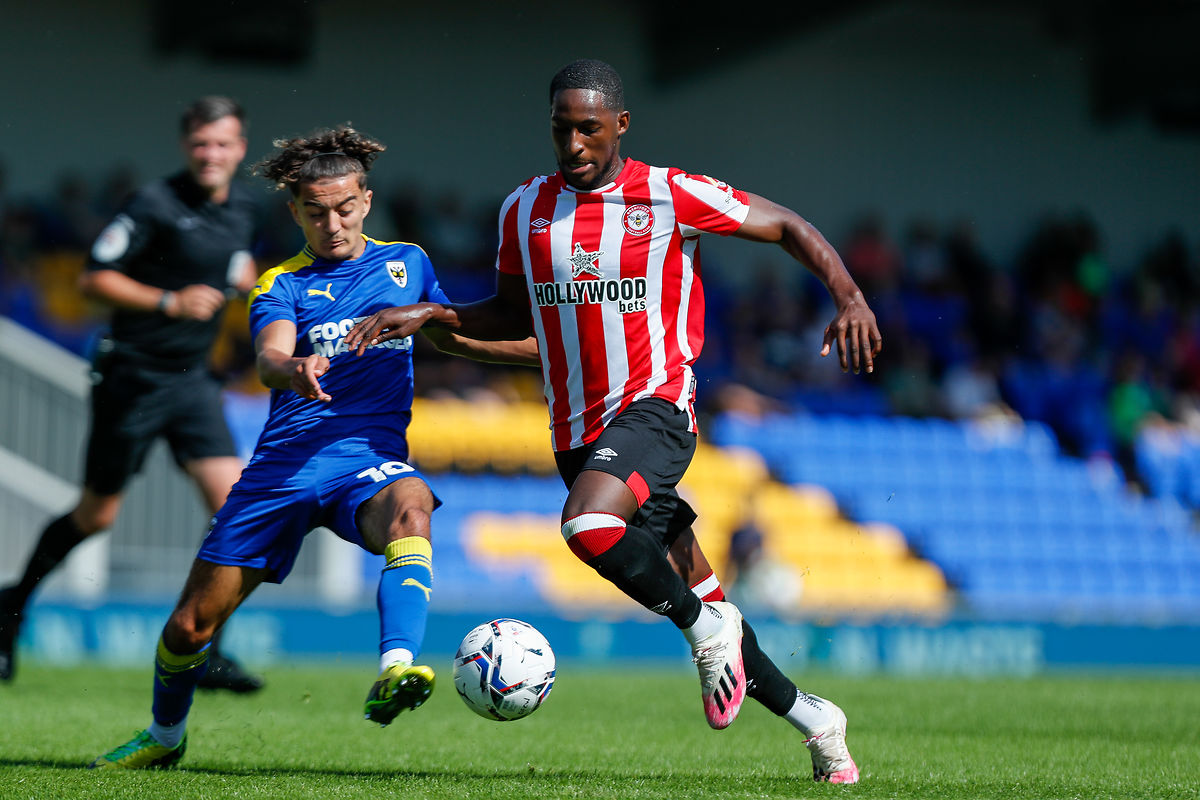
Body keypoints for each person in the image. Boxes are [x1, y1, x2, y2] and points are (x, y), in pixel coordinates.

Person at [345, 59, 882, 784]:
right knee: (700, 587)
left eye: (589, 129)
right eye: (562, 129)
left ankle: (703, 630)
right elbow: (510, 316)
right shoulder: (524, 210)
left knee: (588, 529)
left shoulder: (667, 194)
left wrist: (847, 295)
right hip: (576, 432)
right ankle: (816, 721)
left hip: (656, 409)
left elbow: (784, 224)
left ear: (620, 125)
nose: (573, 144)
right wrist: (434, 319)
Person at [88, 126, 539, 769]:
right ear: (295, 211)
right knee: (191, 627)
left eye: (345, 207)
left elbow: (453, 336)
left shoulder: (408, 263)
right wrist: (292, 368)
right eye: (316, 211)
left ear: (367, 201)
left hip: (367, 461)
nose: (332, 223)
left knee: (413, 506)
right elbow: (269, 356)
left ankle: (396, 668)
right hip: (284, 468)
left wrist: (552, 357)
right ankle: (164, 737)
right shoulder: (282, 284)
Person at [0, 96, 263, 693]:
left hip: (194, 381)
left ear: (241, 149)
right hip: (135, 377)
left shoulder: (245, 210)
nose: (211, 154)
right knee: (97, 515)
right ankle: (8, 611)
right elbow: (93, 276)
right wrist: (168, 301)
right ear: (185, 146)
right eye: (201, 143)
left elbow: (238, 266)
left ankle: (205, 647)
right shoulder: (154, 203)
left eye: (223, 144)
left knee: (235, 510)